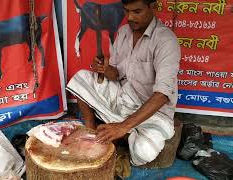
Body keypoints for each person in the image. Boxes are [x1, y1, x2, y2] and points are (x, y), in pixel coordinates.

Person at [67, 0, 181, 166]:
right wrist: (105, 69)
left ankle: (124, 132)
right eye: (127, 11)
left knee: (145, 151)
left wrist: (122, 126)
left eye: (137, 11)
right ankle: (91, 130)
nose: (130, 17)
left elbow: (163, 94)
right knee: (82, 78)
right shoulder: (123, 33)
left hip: (154, 113)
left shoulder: (165, 40)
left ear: (153, 7)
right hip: (123, 98)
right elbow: (116, 74)